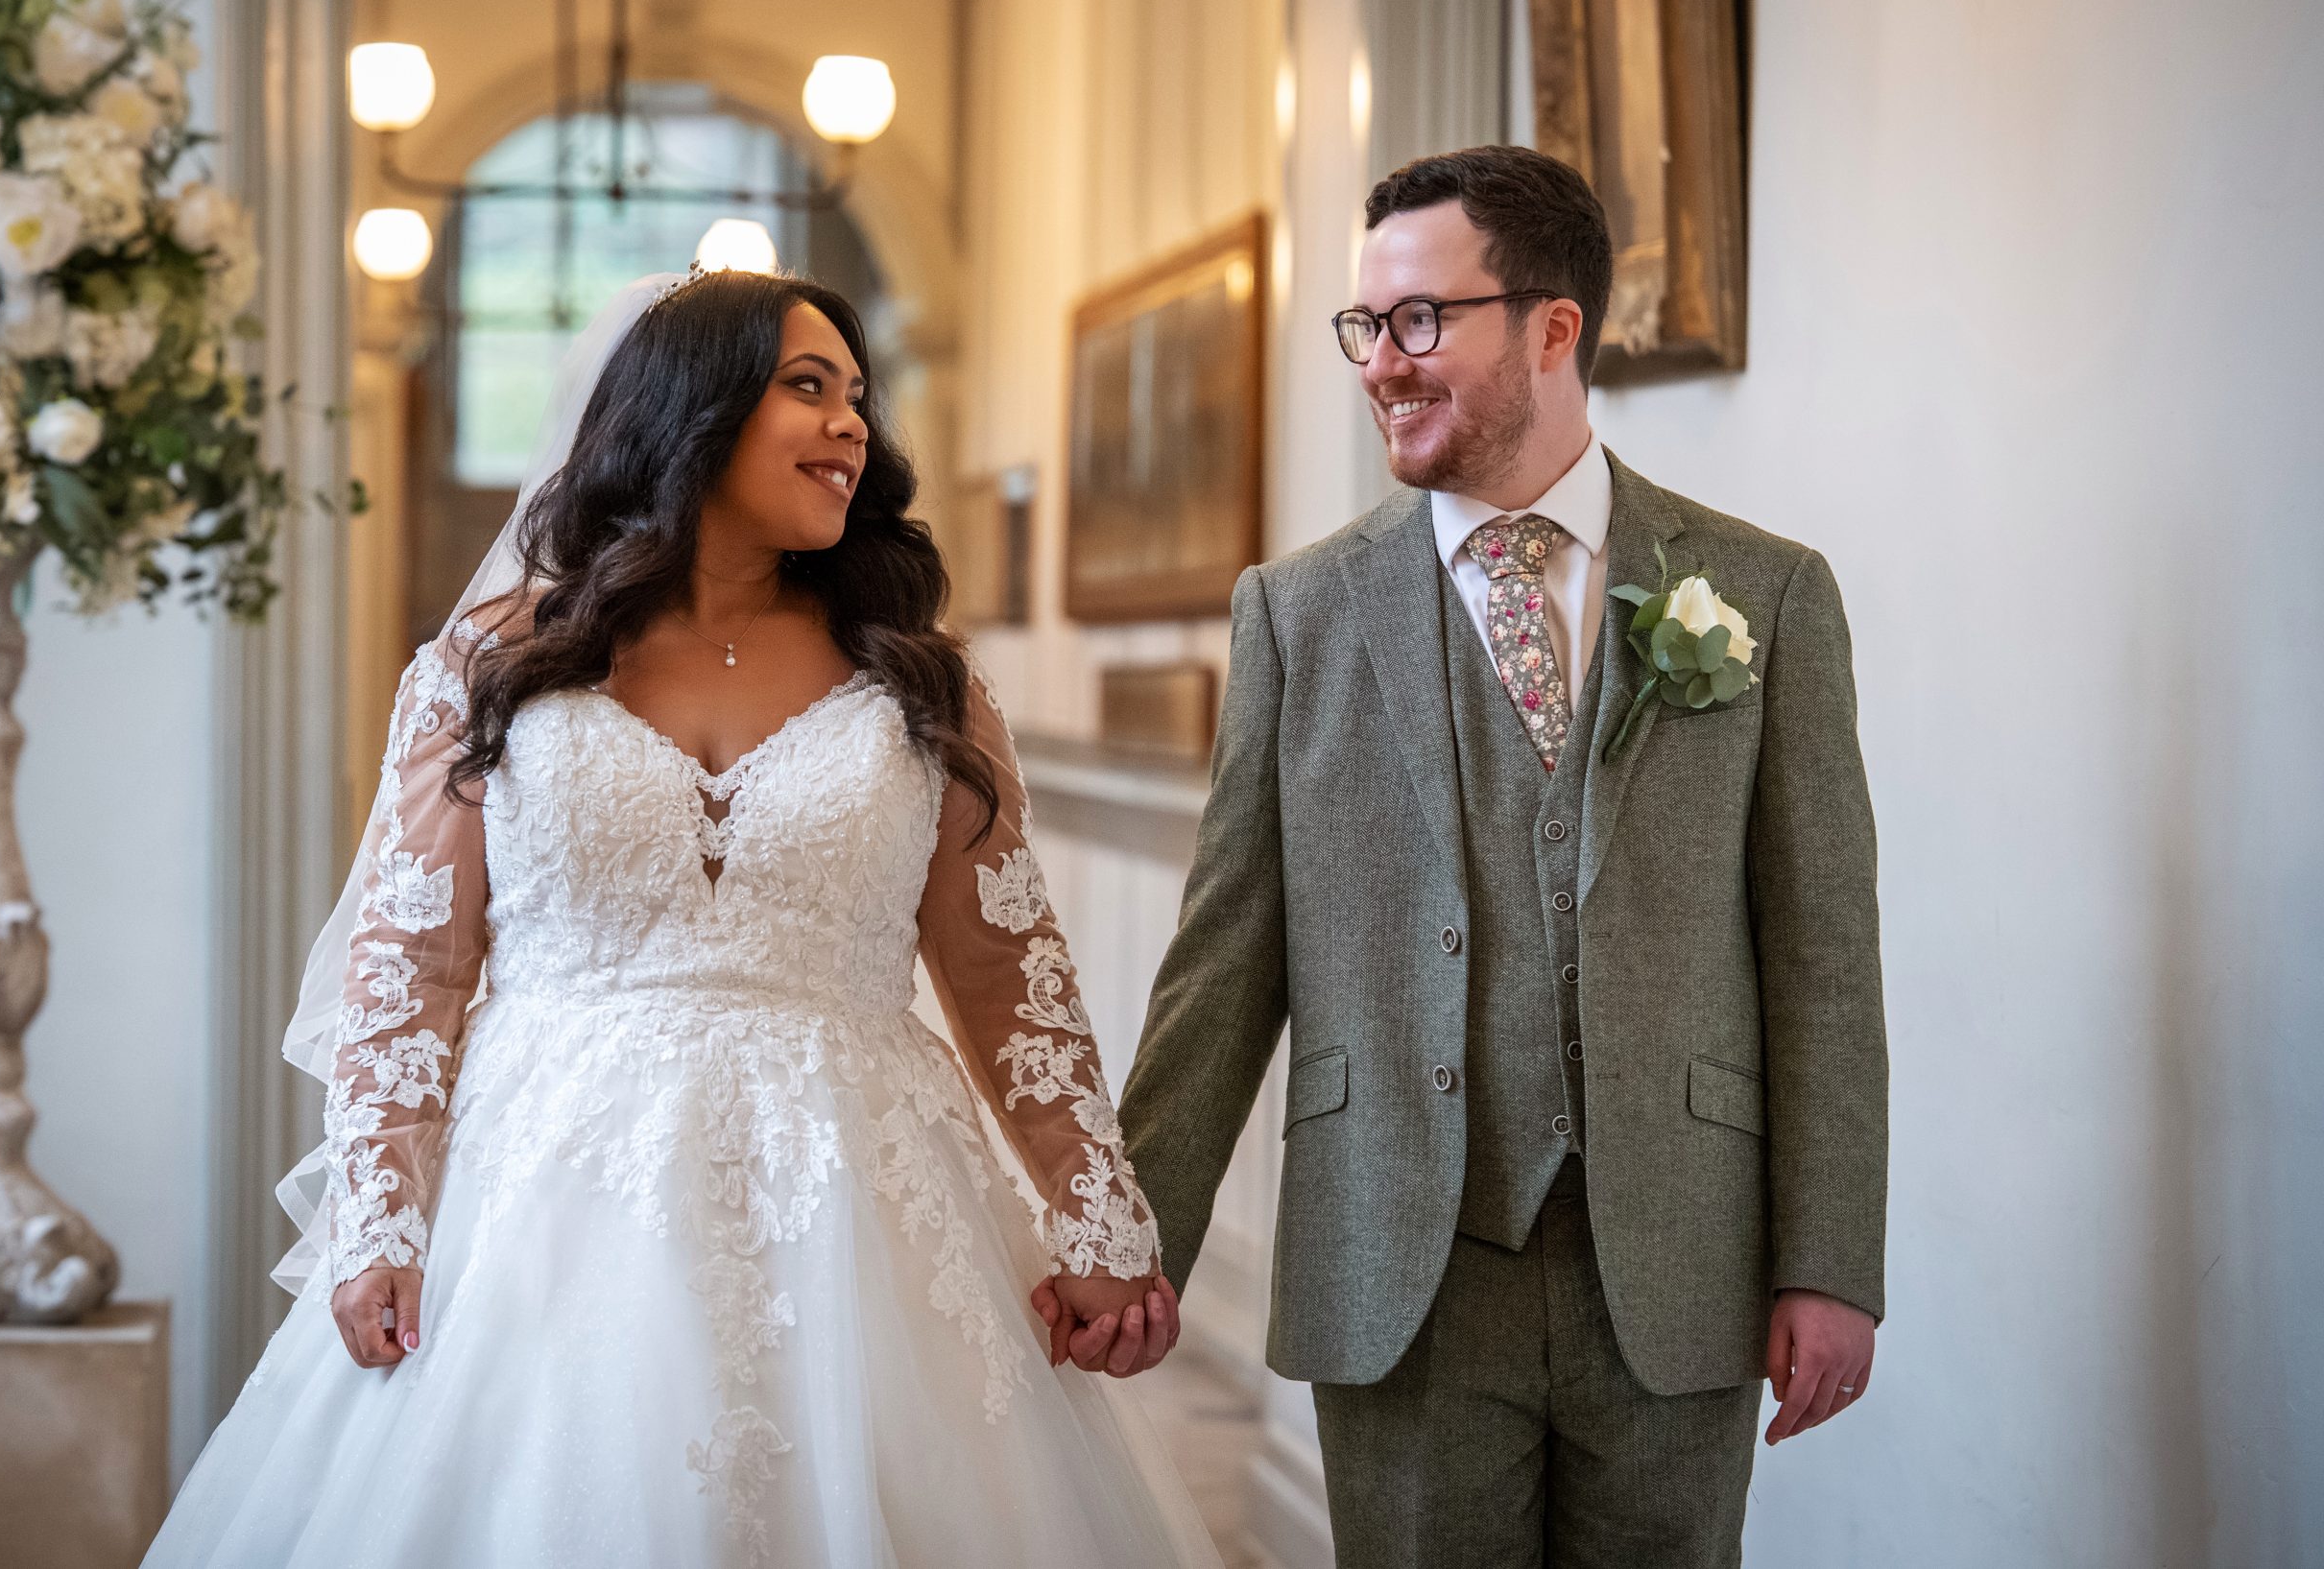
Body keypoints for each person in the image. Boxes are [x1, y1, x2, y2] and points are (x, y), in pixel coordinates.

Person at [143, 270, 1216, 1568]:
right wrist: (381, 1216)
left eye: (858, 398)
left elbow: (1009, 975)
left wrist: (1098, 1218)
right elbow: (411, 963)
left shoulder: (920, 683)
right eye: (806, 389)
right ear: (689, 414)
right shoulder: (489, 667)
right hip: (543, 1210)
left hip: (861, 1212)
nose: (851, 428)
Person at [1113, 146, 1889, 1567]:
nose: (1382, 365)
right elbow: (1225, 956)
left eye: (1422, 320)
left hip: (1675, 1261)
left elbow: (1823, 954)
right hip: (1406, 1258)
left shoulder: (1765, 594)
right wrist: (1133, 1228)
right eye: (1367, 327)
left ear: (1551, 329)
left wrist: (1830, 1260)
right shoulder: (1299, 614)